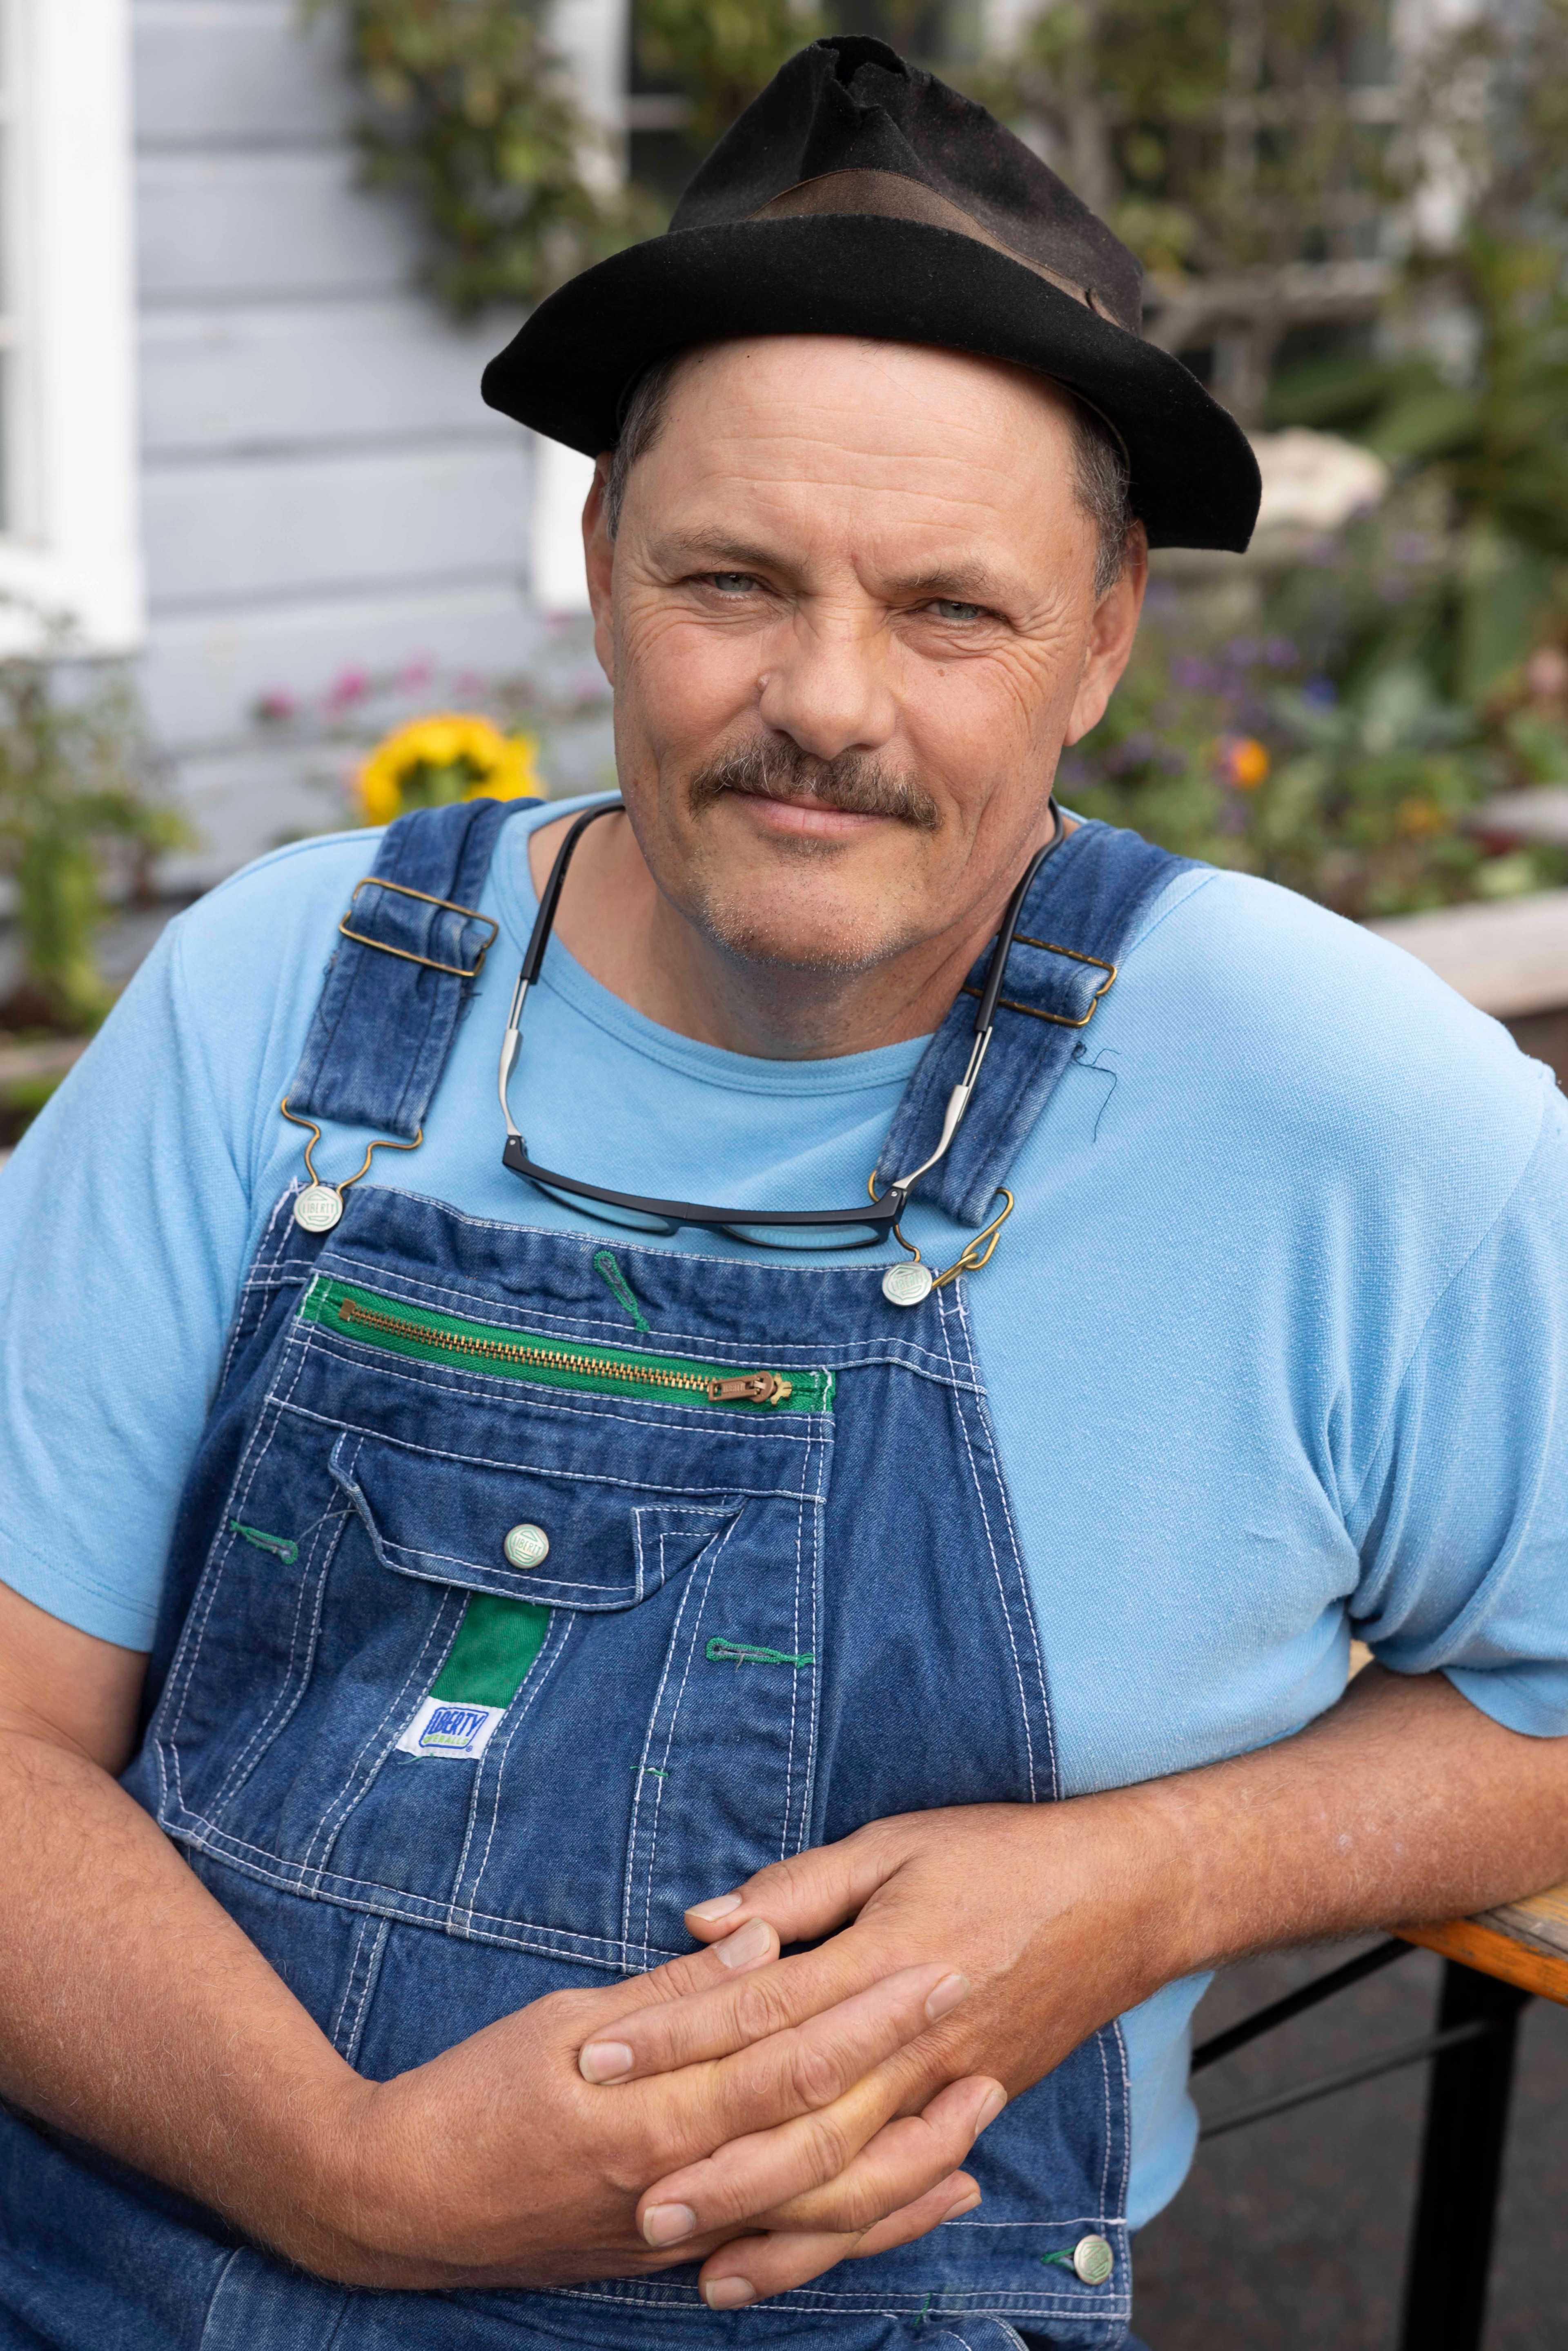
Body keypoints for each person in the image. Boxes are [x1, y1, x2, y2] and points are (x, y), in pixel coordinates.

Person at [0, 36, 1565, 2351]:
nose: (827, 701)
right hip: (131, 2264)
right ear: (604, 570)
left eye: (950, 611)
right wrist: (354, 2182)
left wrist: (1137, 1885)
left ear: (1110, 632)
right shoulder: (285, 999)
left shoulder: (1346, 1110)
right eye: (734, 577)